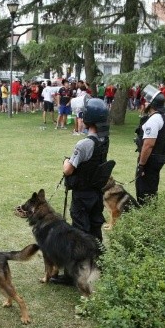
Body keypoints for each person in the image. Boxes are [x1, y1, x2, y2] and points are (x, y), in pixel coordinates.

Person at [62, 97, 110, 243]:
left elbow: (68, 171)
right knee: (95, 229)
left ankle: (80, 264)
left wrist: (65, 162)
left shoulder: (84, 144)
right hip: (96, 194)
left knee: (80, 232)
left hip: (82, 195)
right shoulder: (104, 139)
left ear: (87, 118)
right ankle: (98, 259)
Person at [134, 85, 165, 206]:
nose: (144, 104)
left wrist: (141, 165)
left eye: (146, 102)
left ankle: (146, 216)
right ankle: (151, 213)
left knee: (144, 190)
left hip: (151, 159)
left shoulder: (154, 119)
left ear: (152, 105)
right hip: (158, 158)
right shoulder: (163, 116)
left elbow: (148, 145)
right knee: (151, 188)